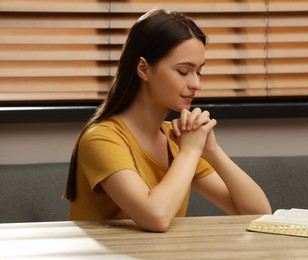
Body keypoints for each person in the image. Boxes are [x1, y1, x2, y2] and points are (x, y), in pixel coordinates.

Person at [64, 9, 271, 232]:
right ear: (143, 68)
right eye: (183, 71)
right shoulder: (102, 139)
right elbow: (156, 218)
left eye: (199, 72)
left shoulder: (176, 138)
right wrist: (190, 152)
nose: (196, 84)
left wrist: (212, 151)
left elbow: (259, 214)